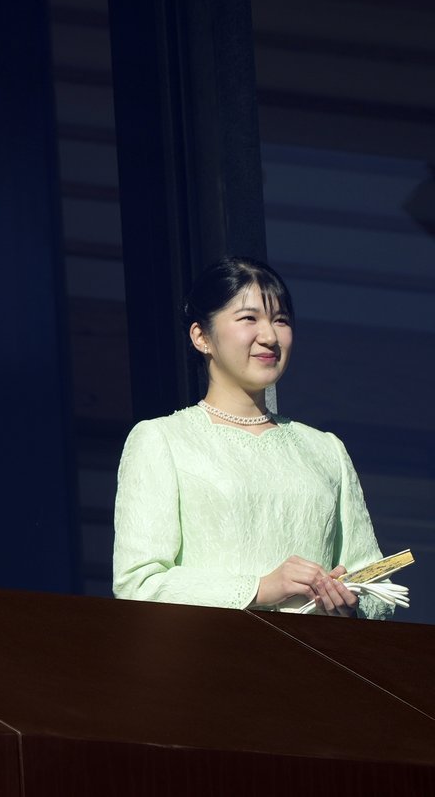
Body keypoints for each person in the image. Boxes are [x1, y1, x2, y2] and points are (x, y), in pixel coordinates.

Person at [112, 256, 392, 617]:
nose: (270, 336)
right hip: (215, 664)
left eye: (281, 320)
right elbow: (138, 585)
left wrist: (349, 600)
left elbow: (379, 590)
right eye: (249, 318)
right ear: (201, 336)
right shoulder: (162, 440)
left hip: (315, 666)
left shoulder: (325, 450)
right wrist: (260, 588)